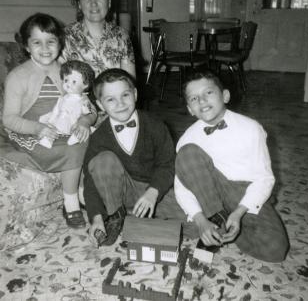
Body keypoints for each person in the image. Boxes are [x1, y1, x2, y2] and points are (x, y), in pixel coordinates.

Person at [174, 70, 289, 262]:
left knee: (276, 250)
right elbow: (181, 185)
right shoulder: (187, 137)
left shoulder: (251, 128)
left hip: (240, 194)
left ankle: (224, 226)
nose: (202, 100)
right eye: (194, 98)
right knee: (187, 154)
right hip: (206, 195)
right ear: (190, 109)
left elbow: (264, 178)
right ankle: (214, 222)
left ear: (225, 96)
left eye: (208, 93)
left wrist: (238, 214)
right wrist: (201, 220)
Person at [0, 13, 97, 229]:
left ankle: (84, 189)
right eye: (37, 42)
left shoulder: (66, 71)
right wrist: (38, 128)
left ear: (60, 43)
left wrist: (84, 121)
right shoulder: (18, 76)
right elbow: (8, 119)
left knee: (96, 138)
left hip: (65, 128)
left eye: (51, 41)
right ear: (26, 45)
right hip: (31, 132)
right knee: (73, 149)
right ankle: (71, 204)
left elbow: (89, 106)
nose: (45, 48)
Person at [83, 68, 188, 247]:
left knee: (193, 221)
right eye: (110, 99)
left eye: (125, 95)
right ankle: (115, 214)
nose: (120, 103)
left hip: (154, 189)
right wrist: (96, 218)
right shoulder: (99, 137)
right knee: (102, 161)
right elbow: (91, 181)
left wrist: (153, 193)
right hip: (120, 192)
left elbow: (168, 164)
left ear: (135, 94)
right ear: (100, 105)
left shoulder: (155, 125)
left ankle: (134, 215)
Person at [60, 0, 135, 78]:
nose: (93, 3)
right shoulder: (65, 36)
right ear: (79, 5)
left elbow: (130, 81)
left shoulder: (121, 36)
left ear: (109, 2)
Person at [39, 60, 95, 148]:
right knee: (51, 129)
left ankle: (76, 137)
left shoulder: (83, 100)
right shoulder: (62, 98)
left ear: (85, 85)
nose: (68, 84)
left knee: (79, 129)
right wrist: (51, 122)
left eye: (74, 82)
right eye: (66, 80)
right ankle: (48, 140)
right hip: (60, 120)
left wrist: (85, 114)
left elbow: (87, 113)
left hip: (74, 122)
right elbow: (56, 110)